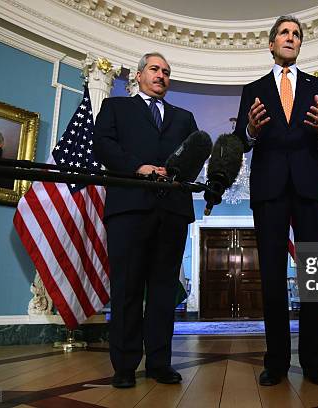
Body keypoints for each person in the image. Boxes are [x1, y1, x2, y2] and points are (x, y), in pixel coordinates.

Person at [234, 15, 318, 386]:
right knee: (272, 278)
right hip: (269, 191)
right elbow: (240, 140)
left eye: (297, 34)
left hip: (311, 188)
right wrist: (250, 129)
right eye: (284, 32)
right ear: (271, 44)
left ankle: (315, 363)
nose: (291, 38)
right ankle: (276, 363)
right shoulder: (253, 89)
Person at [93, 52, 198, 388]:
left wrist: (177, 172)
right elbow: (103, 145)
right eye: (155, 69)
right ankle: (124, 366)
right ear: (138, 76)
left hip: (172, 212)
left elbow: (196, 154)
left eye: (167, 71)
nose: (161, 75)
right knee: (127, 289)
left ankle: (159, 363)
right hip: (129, 209)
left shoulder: (184, 117)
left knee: (163, 291)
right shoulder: (114, 108)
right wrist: (138, 168)